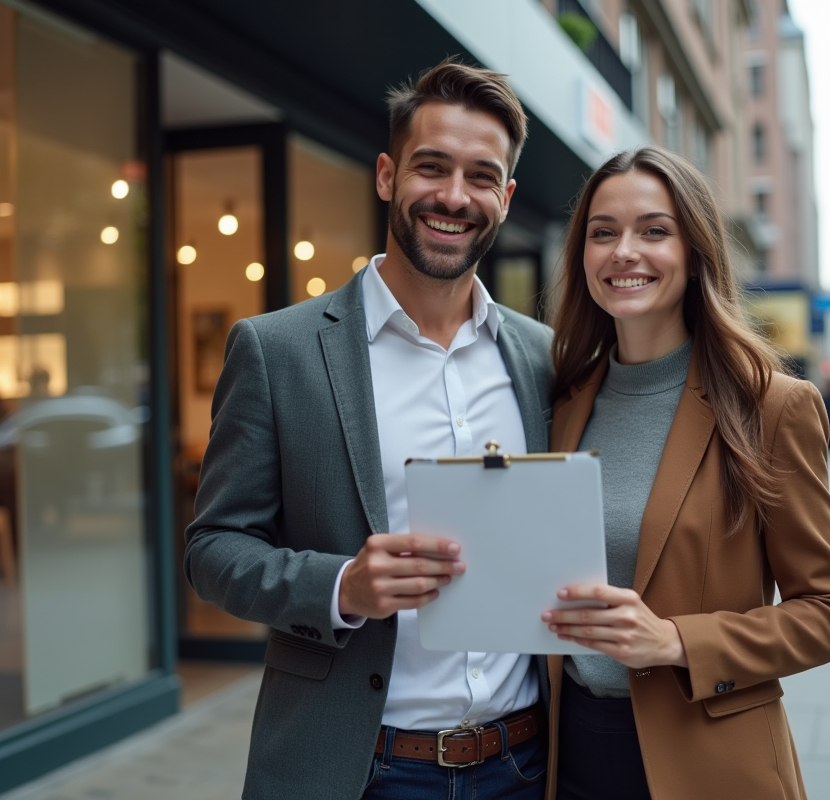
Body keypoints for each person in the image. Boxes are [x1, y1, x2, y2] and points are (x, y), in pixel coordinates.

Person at [185, 60, 553, 800]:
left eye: (481, 176)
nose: (454, 196)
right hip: (361, 769)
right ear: (387, 175)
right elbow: (212, 551)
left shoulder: (543, 357)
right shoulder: (278, 349)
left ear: (506, 199)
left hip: (523, 764)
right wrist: (343, 585)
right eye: (431, 167)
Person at [540, 147, 830, 800]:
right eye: (603, 233)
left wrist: (675, 641)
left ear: (695, 252)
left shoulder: (771, 407)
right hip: (565, 753)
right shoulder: (562, 400)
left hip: (709, 762)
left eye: (654, 230)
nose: (624, 251)